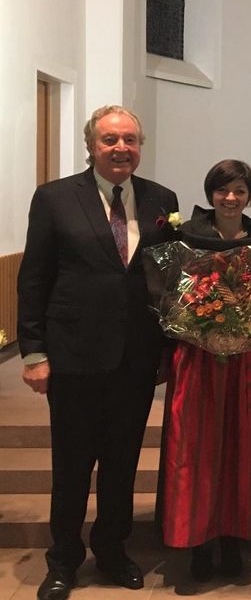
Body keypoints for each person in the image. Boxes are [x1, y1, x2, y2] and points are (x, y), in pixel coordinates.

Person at [18, 105, 179, 600]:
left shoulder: (160, 199)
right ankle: (63, 559)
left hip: (134, 359)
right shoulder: (55, 198)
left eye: (130, 139)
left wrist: (168, 348)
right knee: (71, 464)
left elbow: (168, 280)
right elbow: (34, 278)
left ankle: (112, 549)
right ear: (91, 145)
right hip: (73, 357)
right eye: (110, 140)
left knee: (121, 462)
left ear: (140, 145)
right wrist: (33, 352)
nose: (121, 148)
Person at [158, 160, 251, 581]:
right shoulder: (187, 236)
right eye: (223, 190)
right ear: (210, 193)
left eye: (240, 190)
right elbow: (171, 293)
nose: (231, 198)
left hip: (247, 358)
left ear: (250, 195)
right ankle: (198, 542)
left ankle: (233, 540)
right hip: (198, 359)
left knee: (243, 448)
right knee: (197, 448)